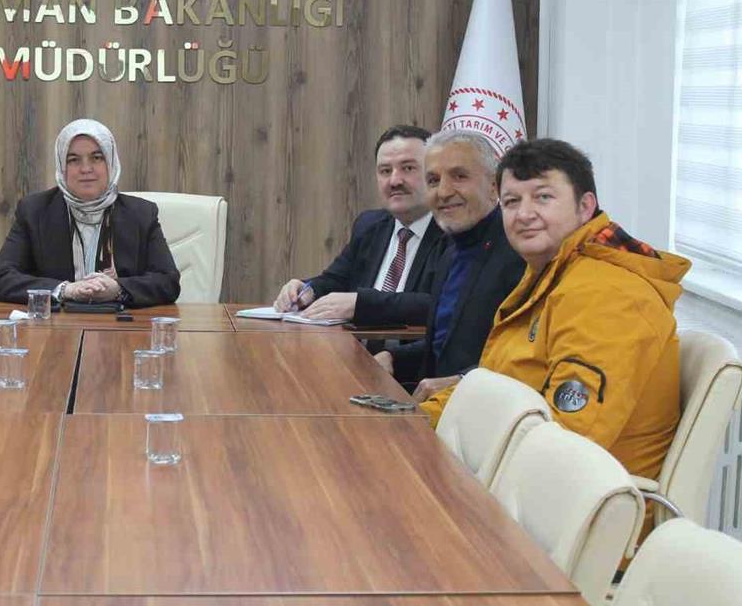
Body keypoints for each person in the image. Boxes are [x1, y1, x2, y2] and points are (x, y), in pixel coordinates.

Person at [420, 139, 688, 482]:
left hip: (565, 503)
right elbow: (497, 385)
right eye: (512, 201)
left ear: (585, 206)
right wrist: (412, 420)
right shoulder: (551, 275)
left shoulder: (609, 295)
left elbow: (569, 444)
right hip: (508, 475)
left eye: (543, 197)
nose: (524, 214)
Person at [371, 130, 525, 388]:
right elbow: (447, 346)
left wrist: (460, 382)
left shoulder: (519, 252)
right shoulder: (450, 250)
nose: (443, 192)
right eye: (433, 180)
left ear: (493, 185)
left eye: (459, 176)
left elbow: (524, 358)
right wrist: (394, 357)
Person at [0, 118, 181, 306]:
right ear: (62, 167)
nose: (86, 169)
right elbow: (1, 279)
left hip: (120, 322)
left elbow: (168, 281)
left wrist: (118, 289)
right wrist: (65, 290)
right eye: (74, 160)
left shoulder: (141, 214)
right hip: (57, 324)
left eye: (96, 158)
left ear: (111, 163)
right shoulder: (34, 211)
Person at [273, 125, 444, 325]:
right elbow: (336, 281)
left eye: (408, 168)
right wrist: (307, 290)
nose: (394, 181)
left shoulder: (452, 232)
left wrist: (362, 304)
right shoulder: (369, 225)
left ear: (434, 175)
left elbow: (441, 303)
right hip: (351, 342)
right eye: (385, 171)